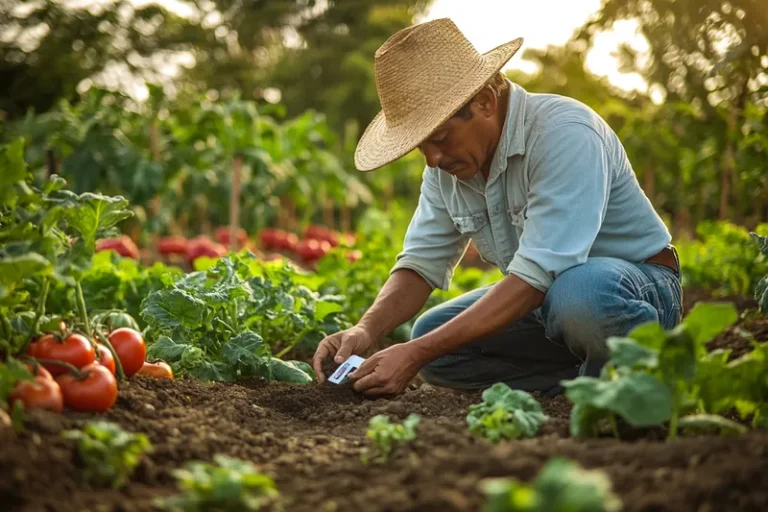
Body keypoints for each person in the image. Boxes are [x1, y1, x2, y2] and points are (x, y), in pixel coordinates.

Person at [311, 18, 682, 396]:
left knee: (579, 293)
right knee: (434, 342)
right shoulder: (449, 167)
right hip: (550, 303)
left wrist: (415, 354)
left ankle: (650, 373)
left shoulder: (565, 134)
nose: (433, 160)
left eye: (439, 138)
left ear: (485, 101)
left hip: (632, 289)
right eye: (421, 147)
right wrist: (365, 330)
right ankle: (586, 386)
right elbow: (420, 264)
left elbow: (538, 275)